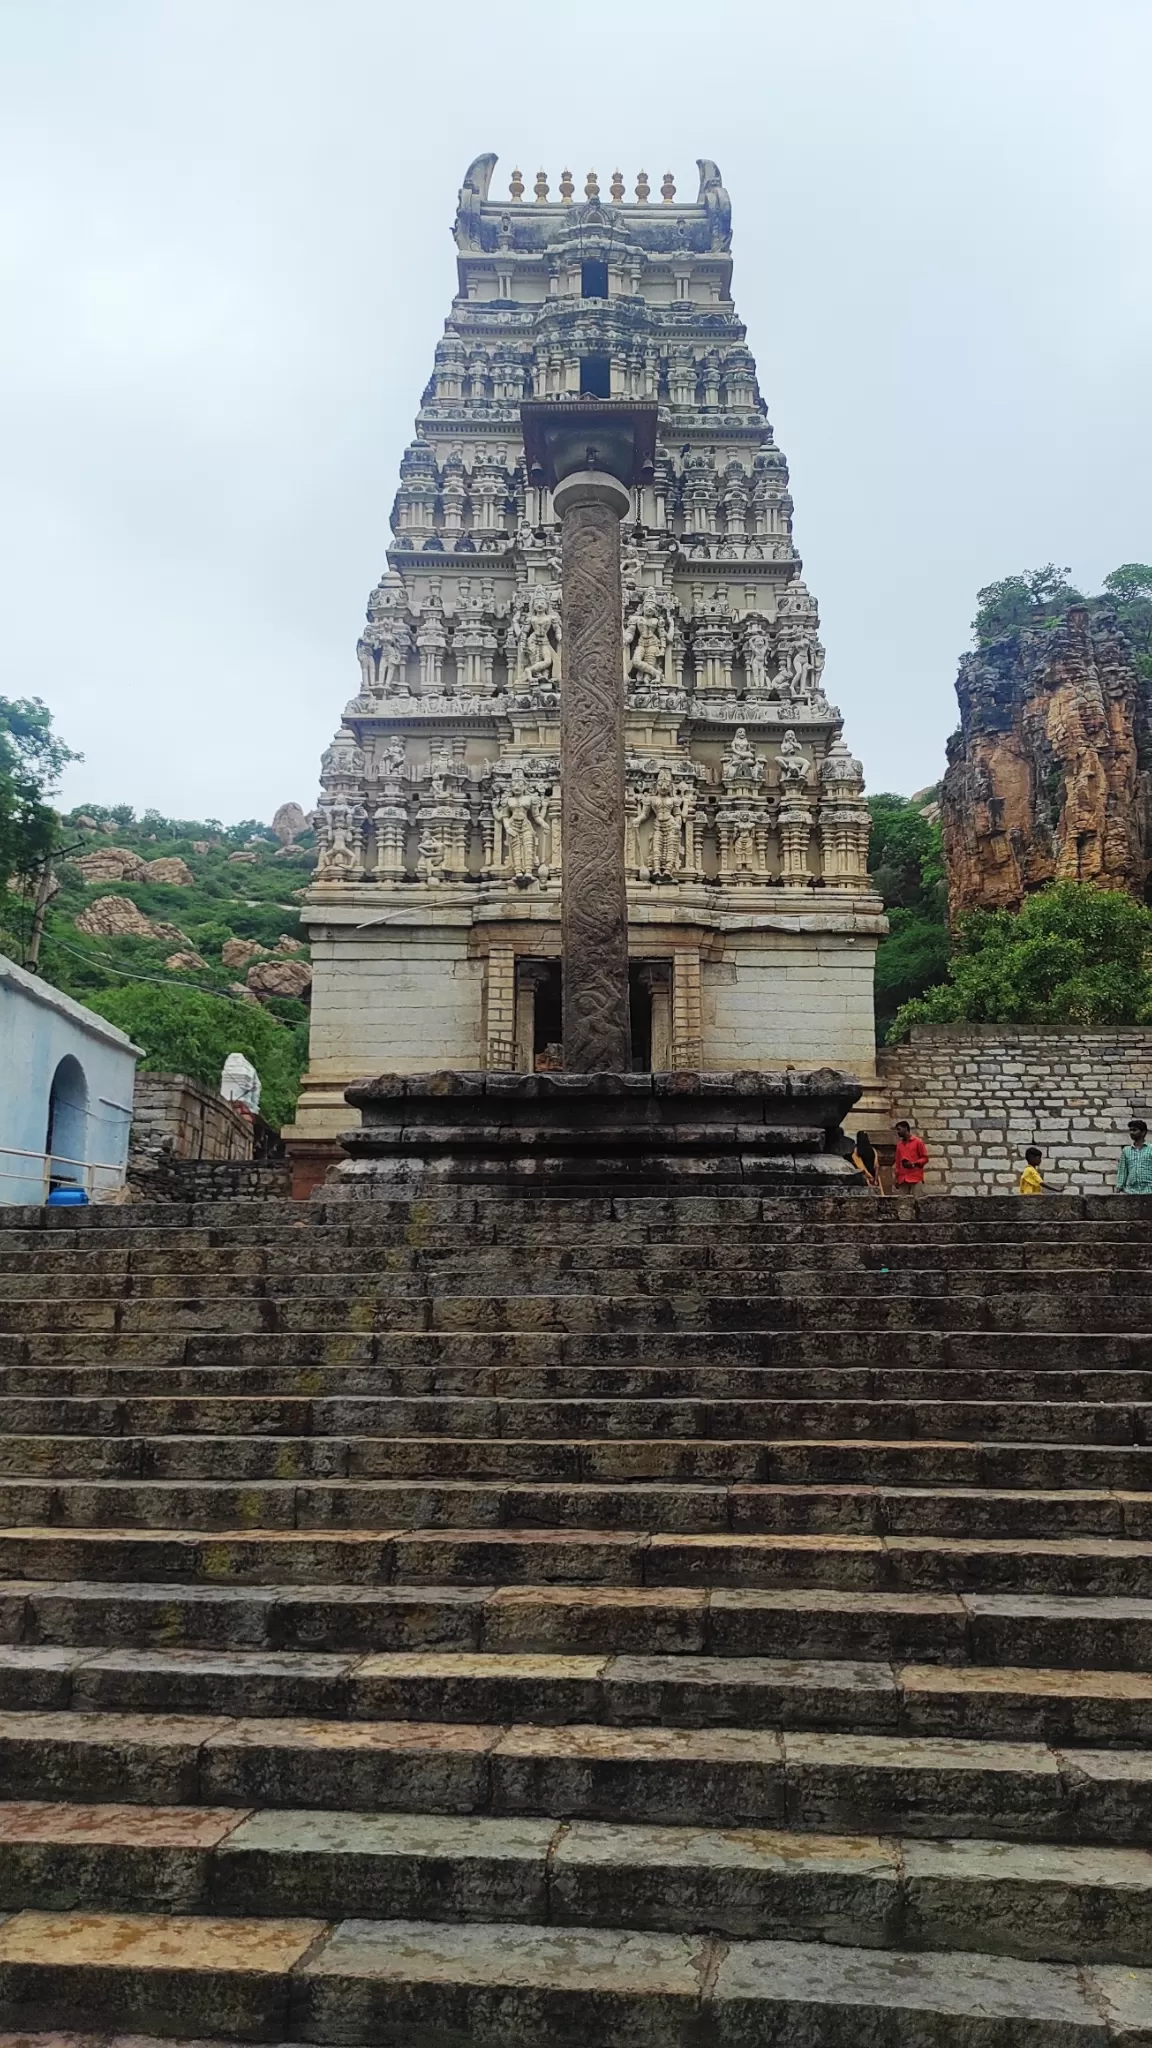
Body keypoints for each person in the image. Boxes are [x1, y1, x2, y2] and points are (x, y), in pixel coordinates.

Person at [1116, 1118, 1152, 1194]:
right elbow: (1122, 1170)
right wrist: (1119, 1187)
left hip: (1149, 1190)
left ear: (1143, 1132)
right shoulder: (1126, 1150)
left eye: (1134, 1130)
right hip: (1131, 1192)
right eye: (1130, 1130)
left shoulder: (1151, 1148)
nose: (1131, 1133)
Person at [893, 1119, 929, 1190]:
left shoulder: (918, 1142)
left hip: (915, 1177)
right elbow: (897, 1163)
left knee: (917, 1200)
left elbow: (925, 1158)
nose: (897, 1132)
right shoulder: (899, 1145)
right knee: (902, 1200)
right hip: (902, 1179)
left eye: (899, 1129)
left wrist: (913, 1163)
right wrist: (896, 1178)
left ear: (905, 1128)